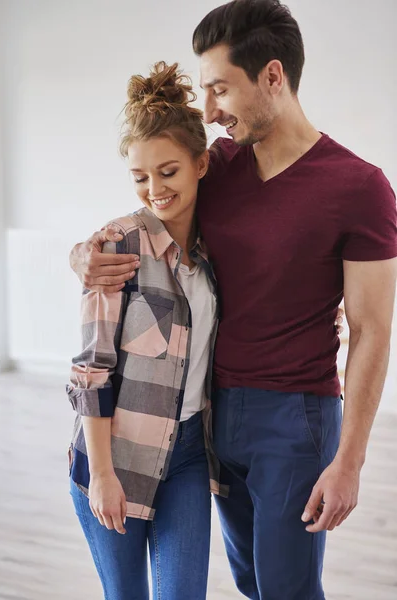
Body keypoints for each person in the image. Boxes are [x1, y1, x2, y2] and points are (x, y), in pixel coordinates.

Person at [70, 1, 397, 599]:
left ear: (273, 76)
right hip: (213, 415)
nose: (211, 109)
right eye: (206, 90)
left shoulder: (360, 187)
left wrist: (349, 461)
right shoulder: (216, 166)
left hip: (295, 415)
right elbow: (150, 214)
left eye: (221, 89)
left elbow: (373, 328)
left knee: (287, 587)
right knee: (249, 580)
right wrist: (83, 257)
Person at [67, 61, 228, 600]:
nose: (155, 189)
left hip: (186, 454)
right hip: (114, 456)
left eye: (168, 171)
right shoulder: (117, 249)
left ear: (201, 164)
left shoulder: (216, 251)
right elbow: (92, 371)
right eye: (140, 177)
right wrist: (103, 476)